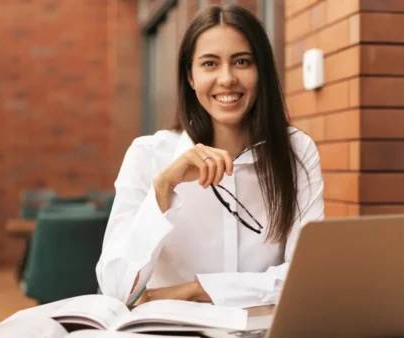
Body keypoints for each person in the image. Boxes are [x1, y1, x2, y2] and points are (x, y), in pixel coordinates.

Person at [96, 4, 324, 309]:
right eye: (210, 64)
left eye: (242, 61)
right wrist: (162, 189)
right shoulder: (148, 155)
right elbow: (115, 290)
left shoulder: (297, 151)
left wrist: (193, 290)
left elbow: (305, 276)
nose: (227, 78)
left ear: (261, 71)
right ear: (190, 77)